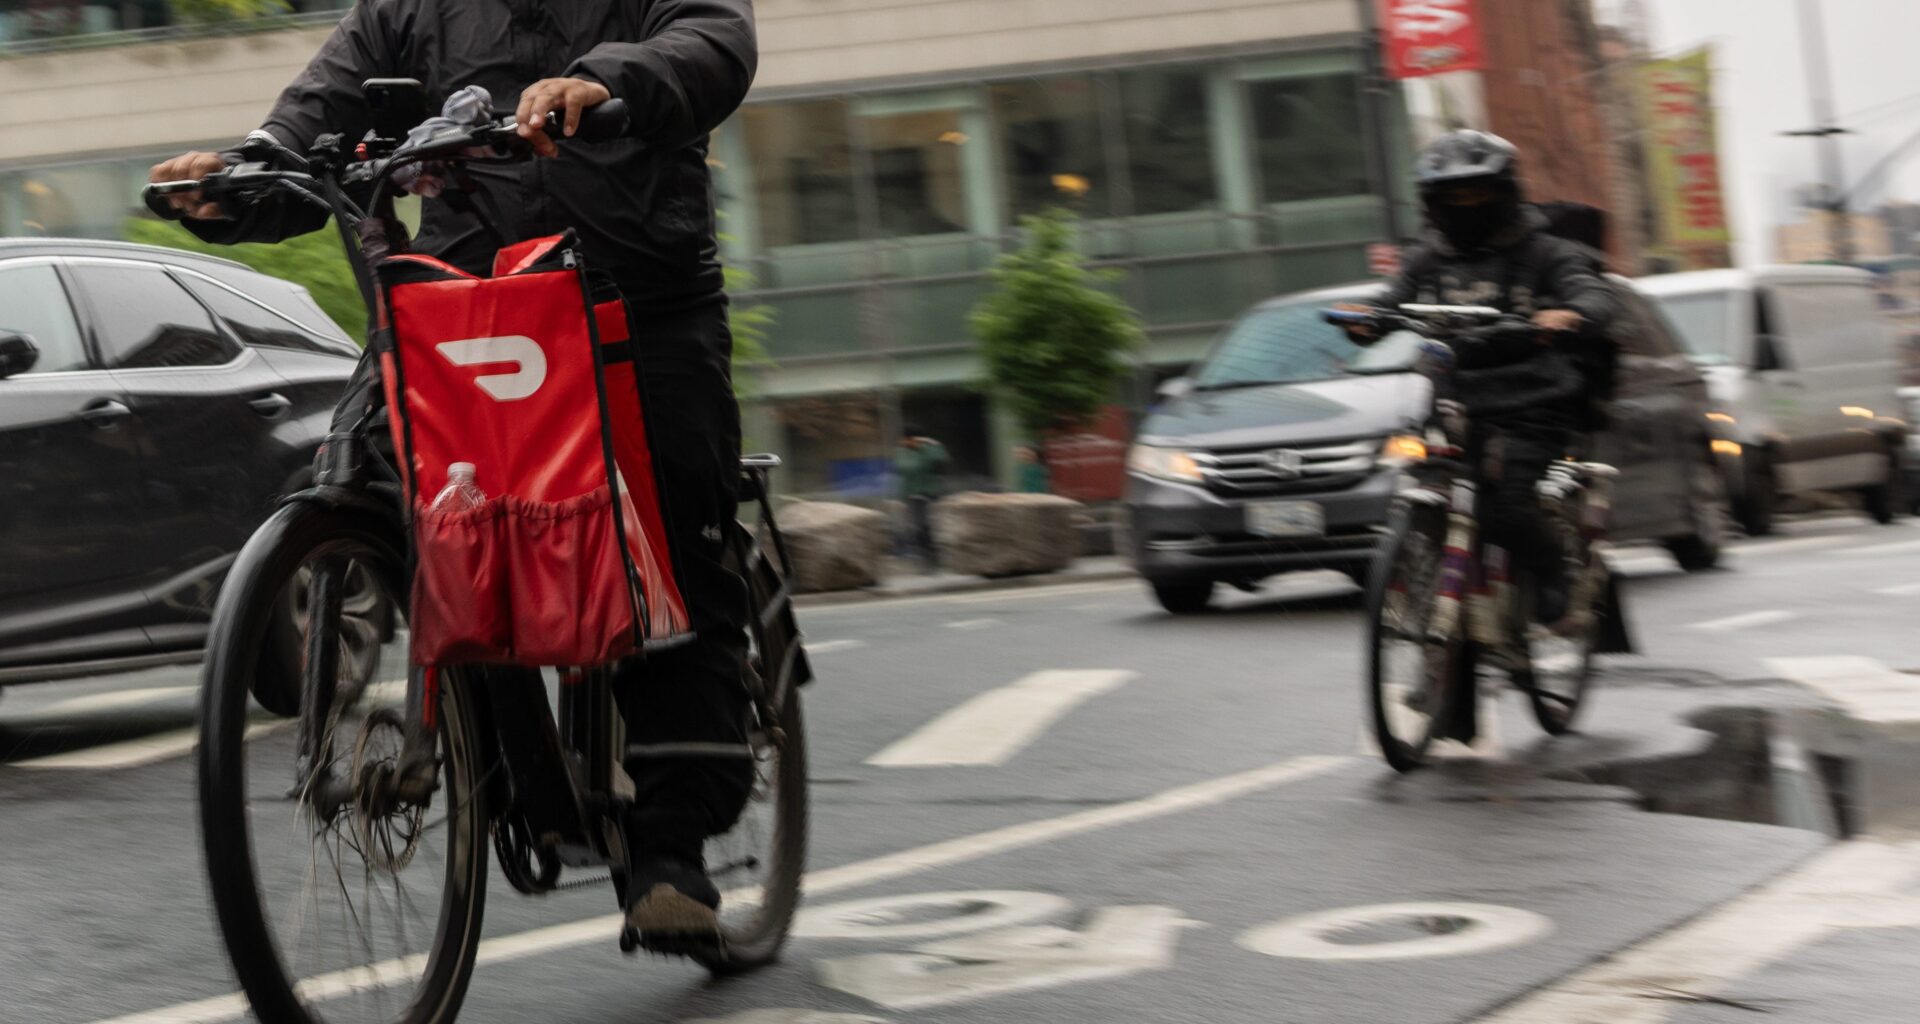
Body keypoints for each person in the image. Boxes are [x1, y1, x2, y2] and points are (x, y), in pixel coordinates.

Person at [149, 0, 758, 951]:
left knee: (668, 544)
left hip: (638, 290)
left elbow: (712, 41)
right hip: (469, 301)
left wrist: (603, 82)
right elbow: (321, 108)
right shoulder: (409, 7)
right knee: (383, 469)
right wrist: (241, 178)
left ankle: (671, 846)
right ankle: (501, 749)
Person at [1342, 130, 1619, 623]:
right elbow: (1392, 300)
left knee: (1504, 508)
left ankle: (1552, 573)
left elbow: (1593, 293)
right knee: (1424, 493)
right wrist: (1367, 318)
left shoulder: (1545, 252)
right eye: (1453, 196)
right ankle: (1456, 631)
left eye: (1476, 193)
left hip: (1533, 404)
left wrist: (1570, 314)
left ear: (1505, 192)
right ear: (1433, 203)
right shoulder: (1427, 257)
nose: (1466, 205)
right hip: (1454, 401)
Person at [895, 427, 951, 569]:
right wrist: (901, 499)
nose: (903, 442)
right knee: (918, 527)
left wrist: (933, 444)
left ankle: (931, 557)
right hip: (912, 495)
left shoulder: (928, 450)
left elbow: (941, 459)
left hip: (930, 493)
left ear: (914, 439)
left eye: (906, 439)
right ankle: (925, 557)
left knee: (929, 526)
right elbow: (906, 469)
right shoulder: (902, 452)